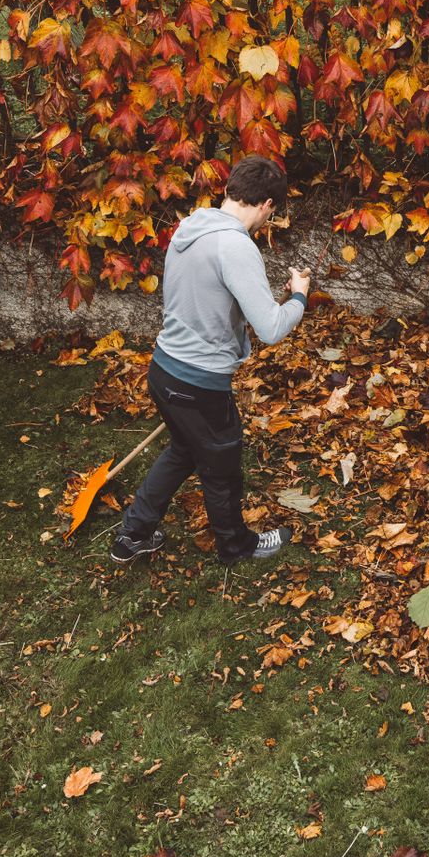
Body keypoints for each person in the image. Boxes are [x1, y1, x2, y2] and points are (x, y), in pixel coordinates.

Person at [110, 155, 309, 565]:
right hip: (198, 385)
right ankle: (237, 546)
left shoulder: (191, 226)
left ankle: (133, 535)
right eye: (272, 213)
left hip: (164, 370)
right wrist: (299, 297)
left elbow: (211, 295)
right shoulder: (236, 246)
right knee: (222, 471)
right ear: (267, 205)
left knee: (183, 450)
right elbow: (271, 329)